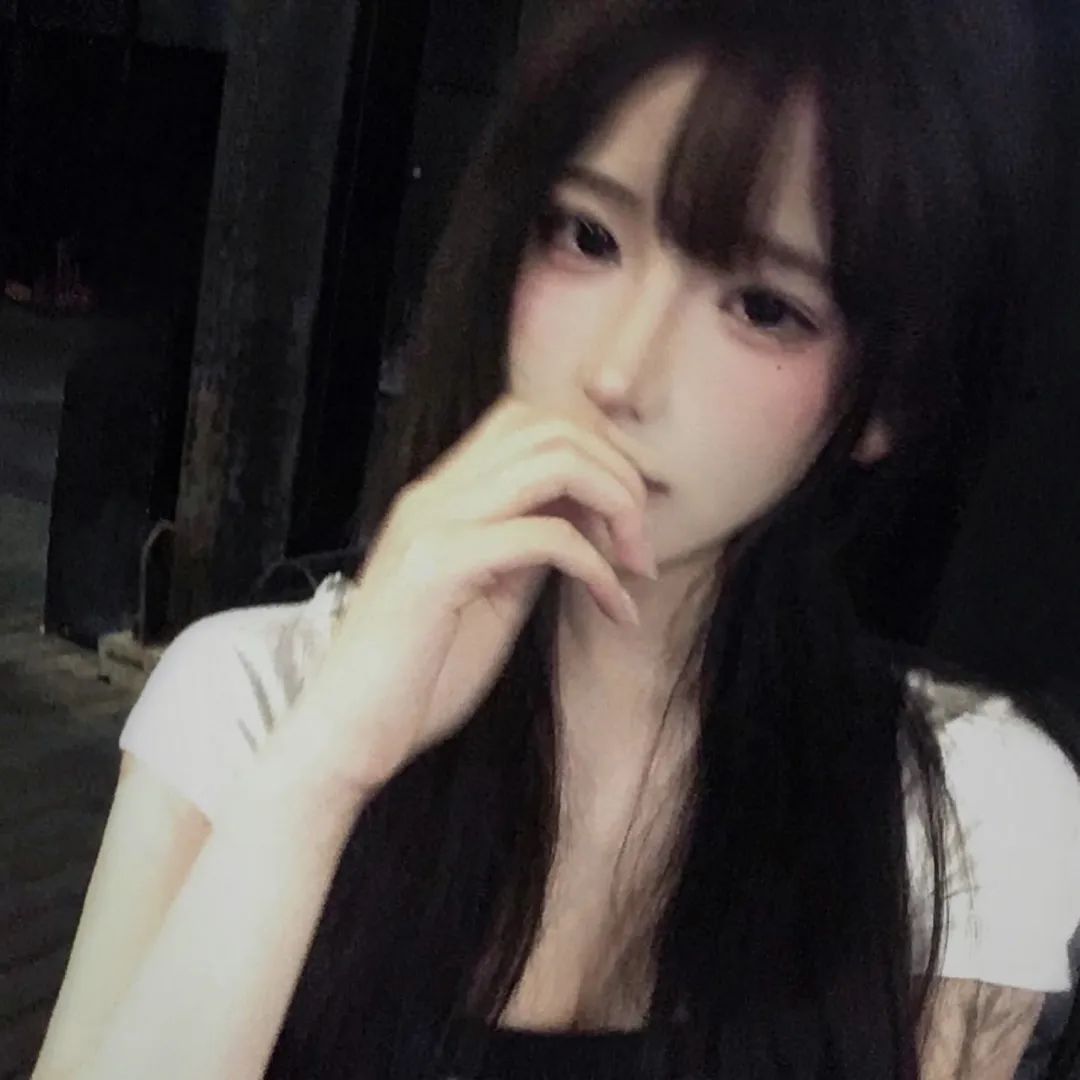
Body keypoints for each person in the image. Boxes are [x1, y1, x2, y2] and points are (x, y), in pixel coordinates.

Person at [30, 1, 1080, 1077]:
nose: (621, 373)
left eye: (766, 306)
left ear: (886, 397)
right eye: (588, 236)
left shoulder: (963, 810)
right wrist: (324, 768)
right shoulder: (253, 700)